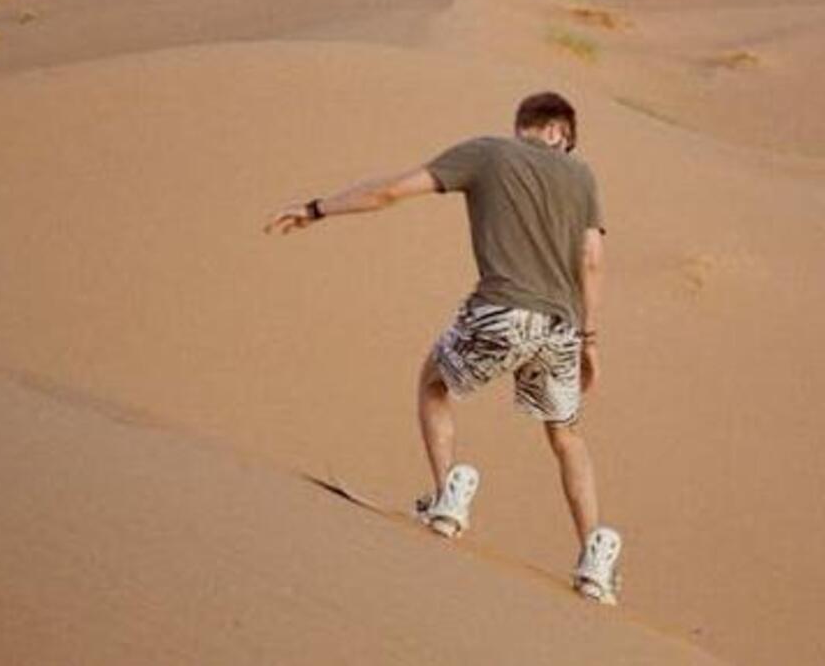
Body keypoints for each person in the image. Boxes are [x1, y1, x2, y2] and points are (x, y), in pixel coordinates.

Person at [264, 91, 622, 603]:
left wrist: (317, 209)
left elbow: (389, 192)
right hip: (560, 327)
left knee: (433, 382)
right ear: (558, 132)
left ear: (532, 126)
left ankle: (449, 496)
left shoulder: (486, 153)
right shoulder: (582, 176)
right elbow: (591, 258)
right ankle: (594, 555)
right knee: (566, 436)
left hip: (500, 309)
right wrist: (589, 337)